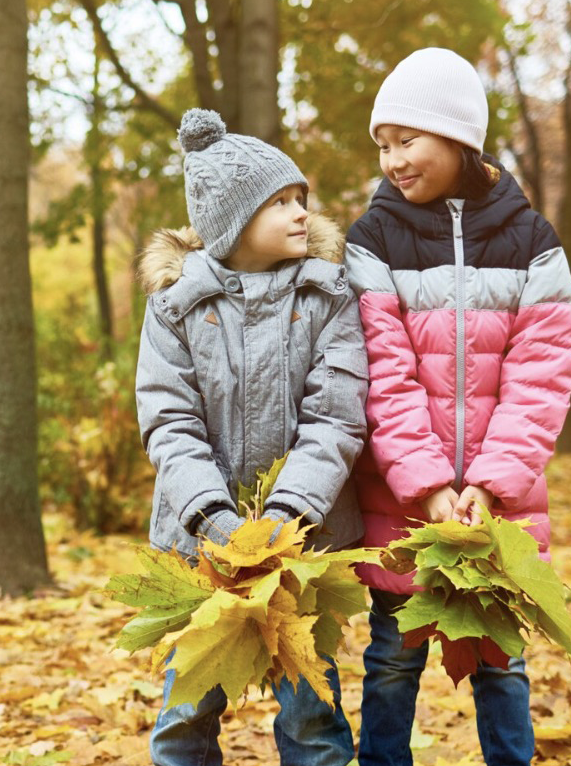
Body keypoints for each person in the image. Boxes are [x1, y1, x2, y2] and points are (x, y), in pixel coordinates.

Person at [343, 48, 571, 766]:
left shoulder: (533, 244)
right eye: (382, 145)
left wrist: (488, 482)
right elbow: (380, 374)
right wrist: (425, 484)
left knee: (501, 665)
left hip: (496, 508)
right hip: (401, 501)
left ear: (458, 136)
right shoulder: (372, 240)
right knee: (391, 661)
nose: (392, 160)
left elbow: (541, 377)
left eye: (406, 140)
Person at [134, 107, 368, 766]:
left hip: (304, 548)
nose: (301, 213)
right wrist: (215, 522)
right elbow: (169, 420)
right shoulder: (177, 309)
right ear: (233, 222)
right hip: (203, 551)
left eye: (302, 199)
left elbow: (337, 416)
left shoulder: (328, 299)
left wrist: (286, 516)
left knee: (313, 719)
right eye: (280, 202)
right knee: (186, 715)